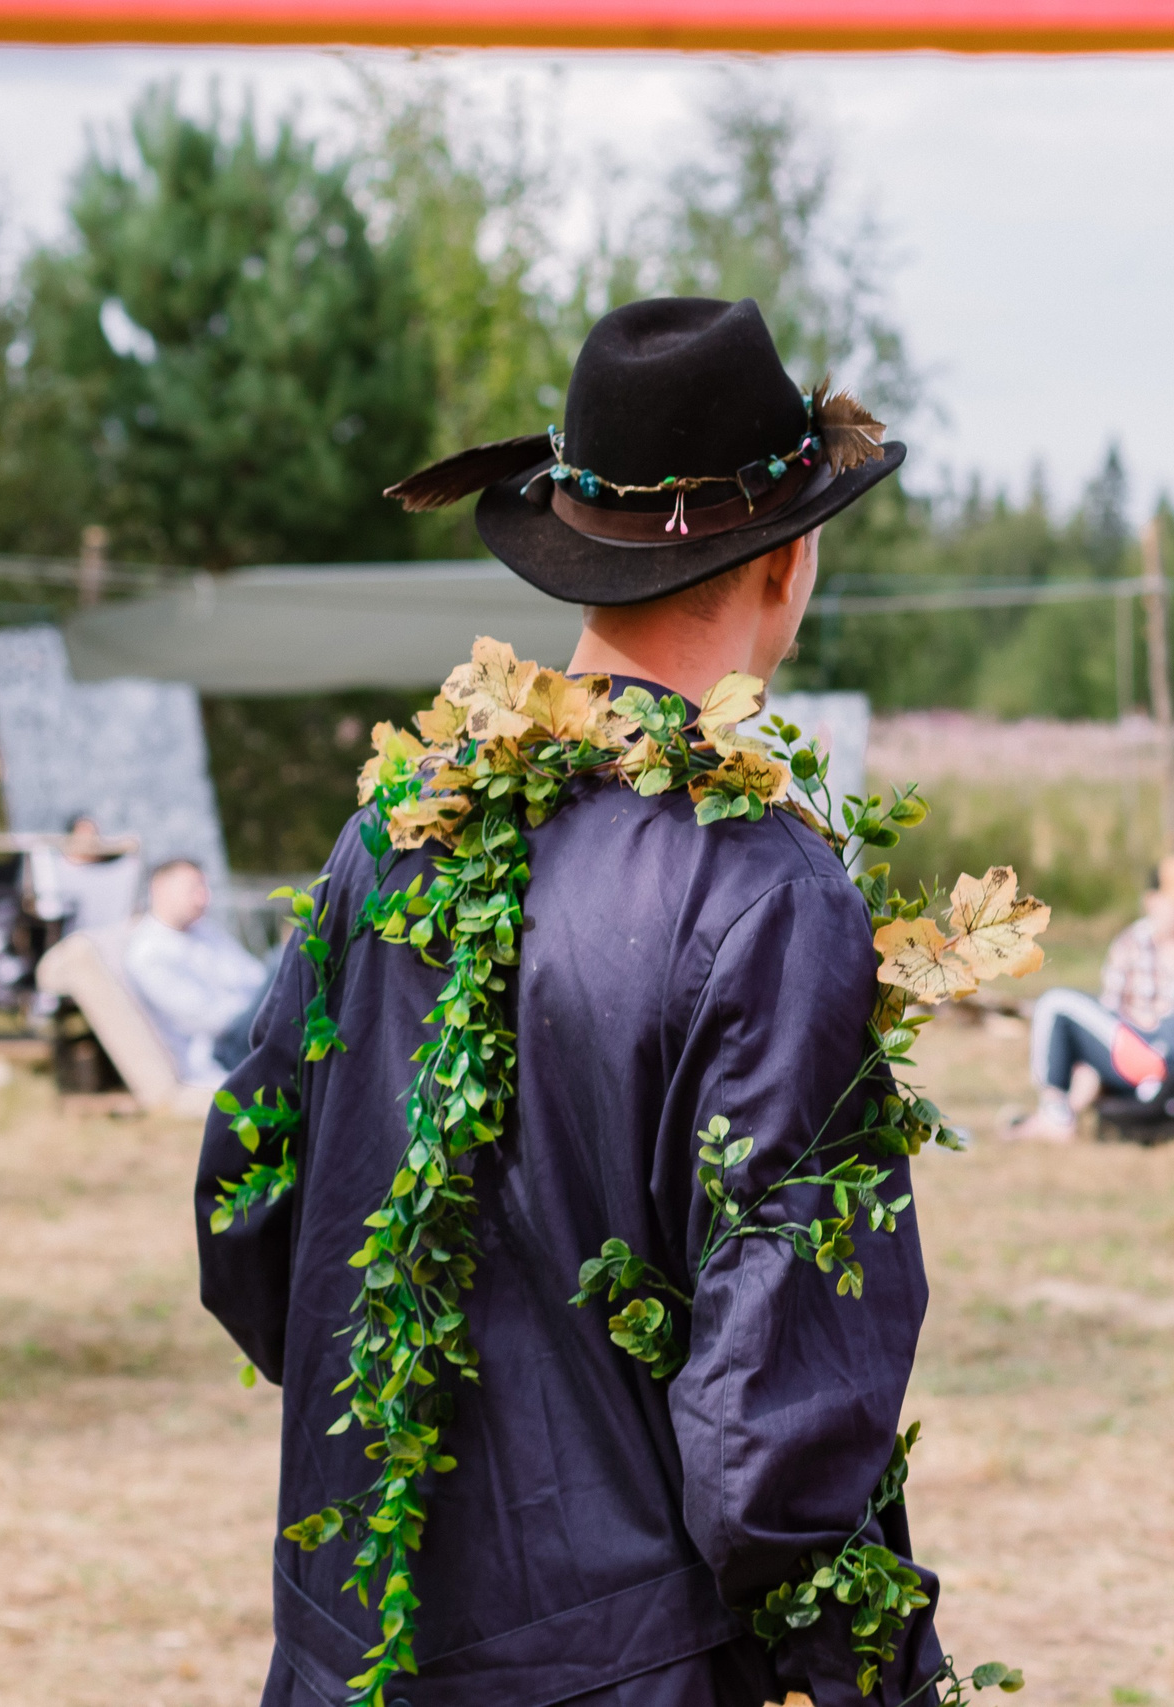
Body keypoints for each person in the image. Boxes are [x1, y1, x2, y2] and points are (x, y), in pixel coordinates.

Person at [194, 298, 937, 1706]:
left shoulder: (394, 831)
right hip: (635, 1672)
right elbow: (774, 1416)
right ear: (787, 558)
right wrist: (865, 1676)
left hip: (363, 1641)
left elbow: (252, 1211)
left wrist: (425, 1450)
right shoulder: (769, 897)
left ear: (579, 562)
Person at [1011, 853, 1174, 1140]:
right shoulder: (1130, 944)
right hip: (1132, 1046)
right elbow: (1109, 1016)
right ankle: (1057, 1110)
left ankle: (1062, 1114)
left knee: (1056, 1004)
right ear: (1152, 901)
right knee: (1055, 1005)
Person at [121, 858, 271, 1087]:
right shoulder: (149, 952)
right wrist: (263, 1005)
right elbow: (206, 1019)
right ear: (159, 889)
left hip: (248, 1024)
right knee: (287, 961)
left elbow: (253, 975)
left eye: (205, 888)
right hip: (220, 1051)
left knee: (288, 964)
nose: (204, 897)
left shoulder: (205, 931)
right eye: (194, 889)